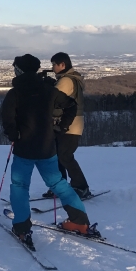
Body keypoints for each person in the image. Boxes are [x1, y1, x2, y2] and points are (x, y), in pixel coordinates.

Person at [2, 54, 99, 248]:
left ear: (19, 71)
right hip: (47, 147)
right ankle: (79, 221)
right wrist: (60, 128)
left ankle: (22, 228)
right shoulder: (49, 90)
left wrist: (14, 136)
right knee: (58, 183)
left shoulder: (15, 93)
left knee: (19, 186)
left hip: (24, 149)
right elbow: (71, 106)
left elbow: (8, 120)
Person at [42, 52, 90, 199]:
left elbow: (54, 101)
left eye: (54, 65)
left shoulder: (66, 81)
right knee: (59, 156)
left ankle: (81, 187)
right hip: (71, 124)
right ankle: (60, 186)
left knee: (64, 156)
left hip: (69, 125)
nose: (53, 67)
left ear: (62, 64)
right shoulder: (71, 79)